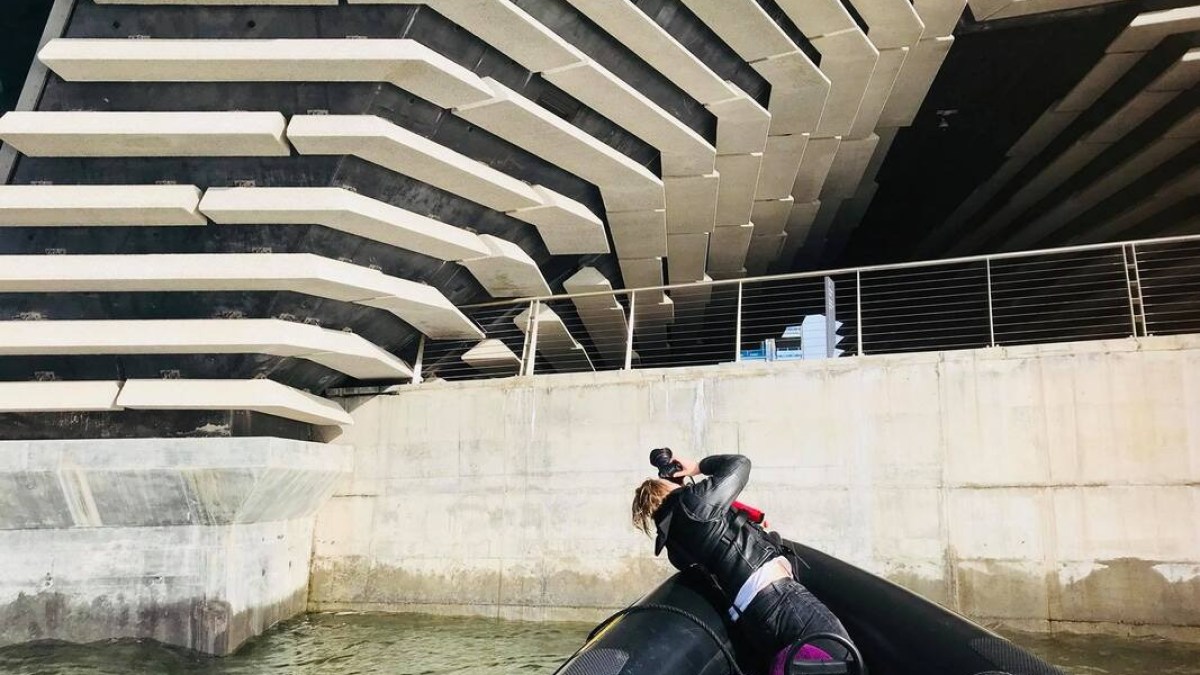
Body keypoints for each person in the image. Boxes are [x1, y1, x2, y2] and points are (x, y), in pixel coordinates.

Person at [632, 453, 856, 674]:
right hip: (778, 597)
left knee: (796, 666)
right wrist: (695, 467)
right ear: (666, 489)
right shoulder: (693, 503)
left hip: (752, 618)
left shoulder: (675, 546)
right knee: (843, 656)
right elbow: (739, 465)